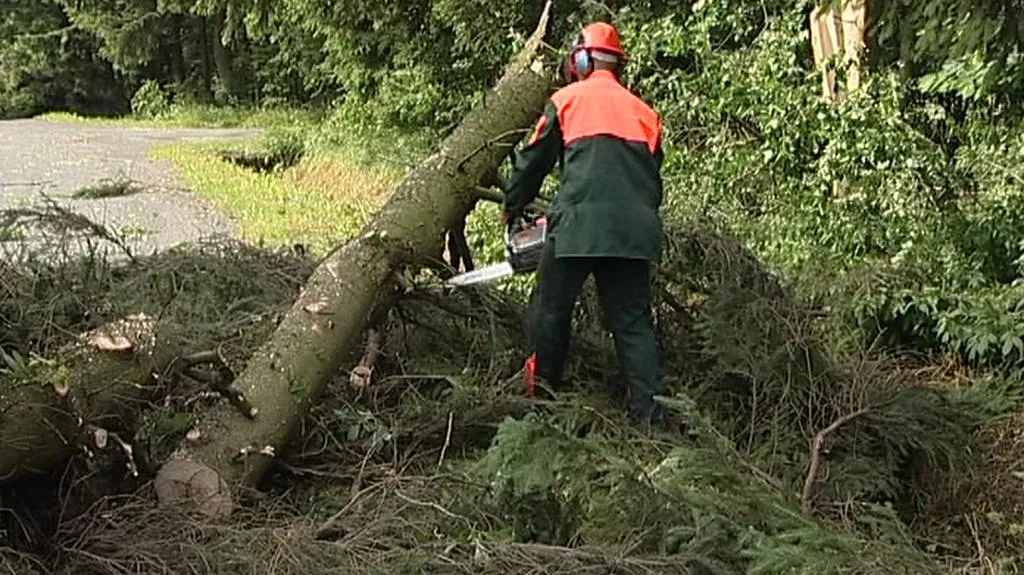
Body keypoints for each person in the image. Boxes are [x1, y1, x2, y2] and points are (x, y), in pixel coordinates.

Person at [502, 21, 666, 424]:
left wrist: (513, 206)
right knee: (632, 324)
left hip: (577, 226)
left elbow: (532, 161)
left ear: (580, 59)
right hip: (634, 231)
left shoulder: (566, 101)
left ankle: (542, 400)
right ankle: (651, 420)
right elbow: (652, 178)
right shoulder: (645, 113)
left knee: (551, 310)